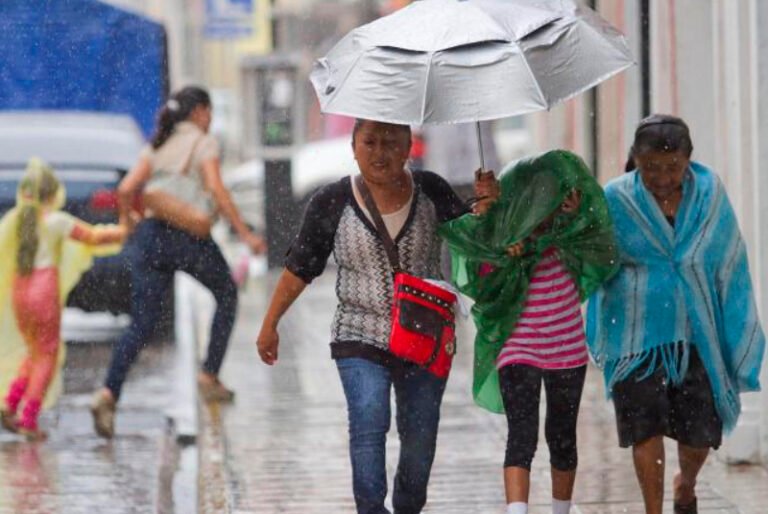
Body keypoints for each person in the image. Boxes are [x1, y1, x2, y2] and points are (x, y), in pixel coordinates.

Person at [256, 118, 468, 514]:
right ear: (353, 148)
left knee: (420, 437)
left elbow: (474, 240)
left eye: (391, 143)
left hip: (425, 337)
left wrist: (486, 209)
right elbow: (300, 267)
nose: (379, 152)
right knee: (369, 421)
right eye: (369, 142)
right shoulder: (332, 201)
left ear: (409, 148)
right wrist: (270, 324)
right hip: (359, 335)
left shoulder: (432, 191)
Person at [586, 114, 766, 514]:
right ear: (636, 159)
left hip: (697, 332)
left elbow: (730, 259)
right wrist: (577, 221)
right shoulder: (616, 199)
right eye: (651, 167)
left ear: (688, 160)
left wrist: (736, 329)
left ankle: (686, 483)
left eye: (672, 167)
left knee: (698, 435)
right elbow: (595, 260)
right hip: (634, 338)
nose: (662, 177)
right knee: (644, 430)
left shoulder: (709, 194)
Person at [439, 150, 618, 514]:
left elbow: (600, 240)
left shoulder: (570, 237)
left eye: (549, 200)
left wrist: (576, 212)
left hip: (567, 351)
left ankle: (560, 509)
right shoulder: (504, 240)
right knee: (522, 435)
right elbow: (479, 271)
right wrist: (487, 213)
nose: (541, 212)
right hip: (518, 349)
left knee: (562, 437)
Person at [90, 86, 266, 439]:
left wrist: (128, 222)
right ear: (199, 112)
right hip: (189, 238)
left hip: (152, 236)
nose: (210, 119)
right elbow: (216, 189)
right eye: (209, 112)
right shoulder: (203, 142)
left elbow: (126, 189)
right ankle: (209, 374)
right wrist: (245, 233)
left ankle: (108, 393)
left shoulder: (158, 144)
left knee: (141, 323)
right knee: (227, 294)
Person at [0, 159, 126, 440]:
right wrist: (125, 231)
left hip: (20, 290)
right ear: (52, 194)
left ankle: (11, 403)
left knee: (33, 351)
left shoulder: (17, 221)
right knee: (47, 355)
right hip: (43, 291)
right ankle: (28, 419)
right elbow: (92, 237)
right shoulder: (57, 221)